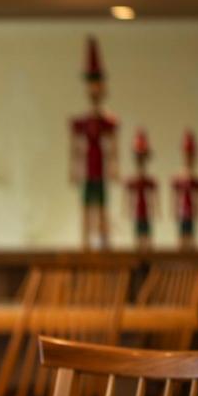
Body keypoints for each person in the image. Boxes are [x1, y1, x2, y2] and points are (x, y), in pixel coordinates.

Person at [70, 36, 119, 251]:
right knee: (86, 206)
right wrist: (74, 169)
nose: (94, 89)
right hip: (88, 167)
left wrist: (113, 166)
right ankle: (86, 242)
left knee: (101, 205)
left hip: (99, 166)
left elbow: (112, 147)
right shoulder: (82, 122)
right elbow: (76, 148)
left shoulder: (107, 121)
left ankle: (102, 239)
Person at [172, 131, 198, 251]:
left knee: (191, 235)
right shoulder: (178, 179)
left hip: (191, 211)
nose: (188, 158)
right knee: (182, 235)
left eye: (190, 155)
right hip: (182, 211)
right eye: (186, 155)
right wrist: (175, 209)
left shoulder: (196, 180)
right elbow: (176, 196)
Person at [125, 129, 157, 251]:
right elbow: (128, 198)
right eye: (138, 157)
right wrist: (128, 209)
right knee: (138, 234)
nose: (140, 160)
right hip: (137, 212)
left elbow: (153, 198)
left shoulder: (149, 181)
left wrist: (154, 209)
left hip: (146, 211)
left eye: (142, 157)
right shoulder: (132, 181)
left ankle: (147, 249)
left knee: (147, 233)